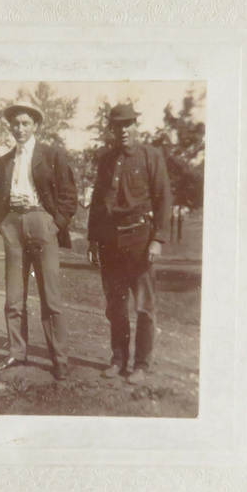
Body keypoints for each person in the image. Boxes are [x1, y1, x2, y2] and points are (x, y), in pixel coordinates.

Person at [0, 102, 78, 380]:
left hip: (42, 222)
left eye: (25, 123)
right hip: (14, 225)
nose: (20, 129)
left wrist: (56, 224)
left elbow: (68, 195)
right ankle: (17, 352)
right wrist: (3, 225)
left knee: (50, 297)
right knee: (14, 297)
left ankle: (60, 359)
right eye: (15, 124)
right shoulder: (5, 160)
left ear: (36, 125)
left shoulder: (52, 155)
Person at [87, 103, 172, 384]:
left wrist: (157, 239)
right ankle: (118, 360)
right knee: (116, 306)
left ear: (136, 125)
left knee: (144, 308)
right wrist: (93, 240)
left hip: (140, 240)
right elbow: (98, 204)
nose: (123, 131)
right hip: (111, 243)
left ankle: (142, 365)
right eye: (117, 126)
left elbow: (163, 199)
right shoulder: (105, 160)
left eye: (128, 124)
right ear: (111, 129)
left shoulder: (151, 156)